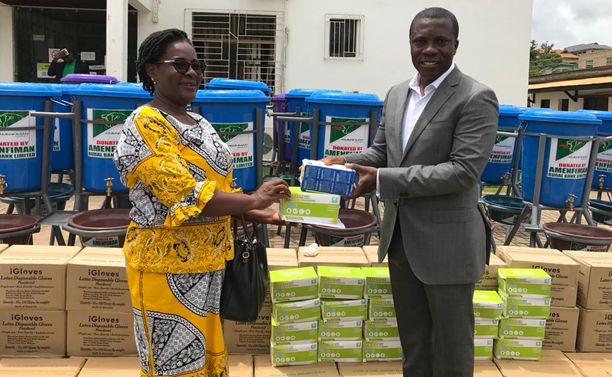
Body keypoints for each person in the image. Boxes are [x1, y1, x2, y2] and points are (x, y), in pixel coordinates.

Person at [323, 7, 498, 377]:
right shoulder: (397, 94)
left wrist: (382, 179)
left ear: (455, 45)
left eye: (440, 41)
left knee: (451, 350)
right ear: (411, 44)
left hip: (448, 244)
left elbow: (463, 172)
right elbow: (383, 152)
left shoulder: (475, 97)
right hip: (402, 239)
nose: (429, 49)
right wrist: (343, 163)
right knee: (415, 344)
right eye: (421, 41)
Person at [113, 28, 290, 377]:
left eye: (197, 65)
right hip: (166, 269)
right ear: (152, 70)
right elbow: (187, 194)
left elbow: (220, 187)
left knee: (206, 362)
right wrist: (254, 197)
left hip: (209, 265)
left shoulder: (199, 122)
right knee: (171, 366)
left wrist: (260, 212)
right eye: (180, 65)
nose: (192, 73)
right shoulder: (145, 124)